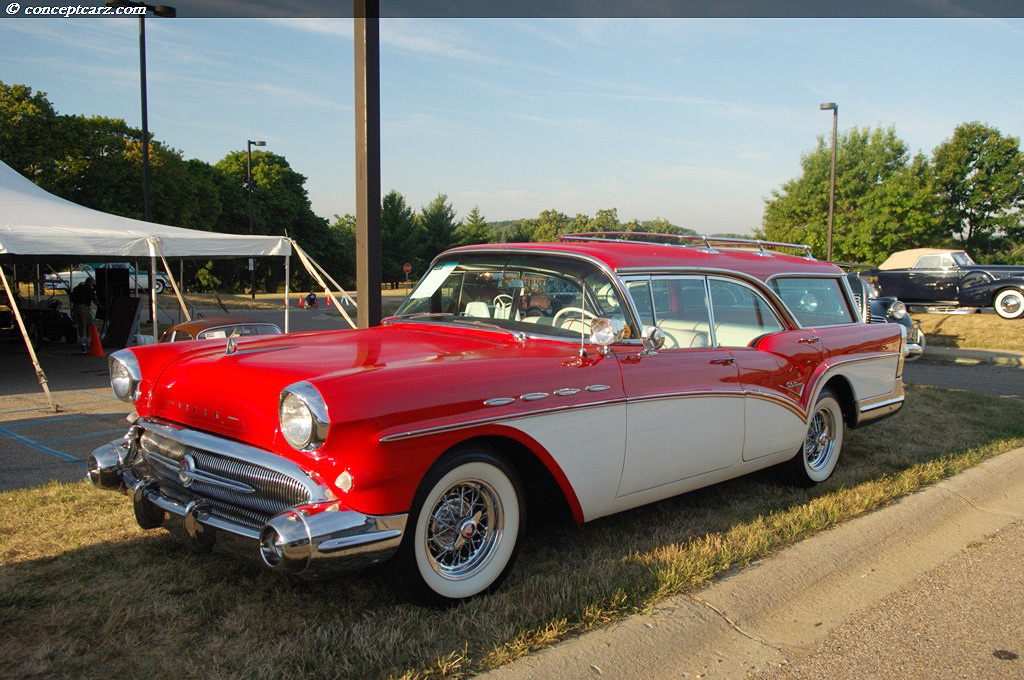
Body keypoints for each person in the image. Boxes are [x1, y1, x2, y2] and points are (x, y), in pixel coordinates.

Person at [71, 276, 97, 353]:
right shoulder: (89, 289)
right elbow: (94, 299)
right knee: (89, 323)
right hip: (84, 307)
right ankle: (88, 340)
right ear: (90, 282)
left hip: (76, 306)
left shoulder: (77, 288)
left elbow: (72, 297)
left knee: (80, 323)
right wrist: (102, 306)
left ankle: (82, 339)